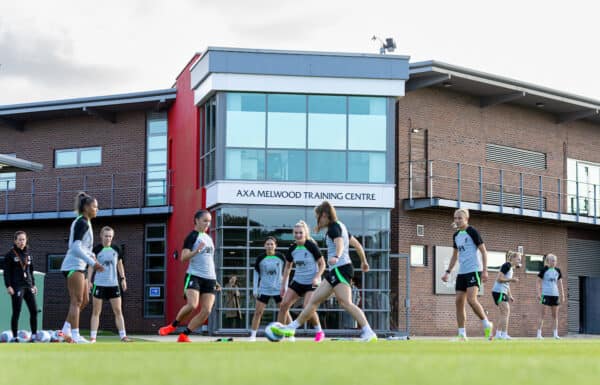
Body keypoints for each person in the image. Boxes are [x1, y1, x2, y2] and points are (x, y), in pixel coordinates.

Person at [271, 201, 377, 342]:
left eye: (318, 216)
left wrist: (336, 256)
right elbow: (357, 245)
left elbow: (339, 242)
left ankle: (368, 332)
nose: (317, 219)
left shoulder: (334, 228)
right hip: (337, 271)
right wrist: (363, 261)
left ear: (325, 215)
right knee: (313, 301)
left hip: (340, 269)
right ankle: (291, 327)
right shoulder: (341, 226)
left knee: (346, 303)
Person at [158, 210, 221, 342]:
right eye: (205, 220)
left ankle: (184, 335)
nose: (207, 224)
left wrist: (215, 280)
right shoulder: (192, 237)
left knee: (206, 311)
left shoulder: (209, 238)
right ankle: (173, 326)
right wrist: (196, 251)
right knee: (192, 305)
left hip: (210, 278)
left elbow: (209, 260)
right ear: (197, 221)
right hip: (194, 275)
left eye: (209, 221)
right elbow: (183, 257)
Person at [441, 208, 493, 340]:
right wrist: (448, 272)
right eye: (455, 218)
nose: (457, 220)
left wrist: (485, 270)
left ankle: (486, 324)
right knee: (458, 301)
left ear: (466, 219)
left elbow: (484, 252)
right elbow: (454, 256)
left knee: (471, 299)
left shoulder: (472, 231)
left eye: (460, 218)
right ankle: (462, 334)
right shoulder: (456, 235)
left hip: (474, 269)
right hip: (462, 272)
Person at [60, 192, 104, 343]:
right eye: (95, 206)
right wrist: (93, 263)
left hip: (80, 265)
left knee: (84, 300)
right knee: (76, 301)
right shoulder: (82, 222)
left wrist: (91, 254)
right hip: (73, 266)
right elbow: (74, 247)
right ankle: (76, 335)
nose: (97, 209)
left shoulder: (86, 222)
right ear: (86, 207)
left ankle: (64, 331)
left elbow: (81, 247)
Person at [277, 221, 326, 342]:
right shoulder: (292, 248)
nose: (298, 235)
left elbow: (322, 264)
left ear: (305, 233)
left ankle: (319, 331)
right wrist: (283, 286)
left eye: (300, 233)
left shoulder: (311, 245)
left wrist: (317, 277)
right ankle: (279, 334)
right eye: (296, 233)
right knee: (283, 305)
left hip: (311, 282)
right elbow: (287, 268)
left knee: (307, 307)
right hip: (298, 281)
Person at [88, 226, 131, 343]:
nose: (108, 238)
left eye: (110, 236)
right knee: (96, 311)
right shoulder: (96, 249)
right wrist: (88, 281)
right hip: (99, 284)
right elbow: (91, 266)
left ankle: (123, 336)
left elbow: (120, 264)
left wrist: (123, 279)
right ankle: (93, 338)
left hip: (113, 284)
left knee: (118, 311)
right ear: (101, 236)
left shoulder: (116, 249)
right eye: (106, 236)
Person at [249, 236, 289, 341]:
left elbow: (286, 272)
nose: (270, 246)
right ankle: (253, 336)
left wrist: (285, 287)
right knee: (258, 312)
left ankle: (290, 334)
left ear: (275, 246)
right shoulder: (260, 258)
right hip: (264, 289)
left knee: (284, 311)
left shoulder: (281, 257)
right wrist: (255, 288)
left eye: (272, 244)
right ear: (264, 246)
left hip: (278, 289)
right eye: (267, 244)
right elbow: (256, 273)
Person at [4, 231, 38, 342]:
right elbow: (7, 272)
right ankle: (15, 336)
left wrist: (33, 284)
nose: (21, 242)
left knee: (34, 310)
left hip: (28, 286)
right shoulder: (10, 254)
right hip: (17, 287)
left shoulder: (28, 254)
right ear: (15, 241)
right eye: (19, 239)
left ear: (26, 240)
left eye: (23, 239)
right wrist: (8, 286)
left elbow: (31, 271)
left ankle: (33, 335)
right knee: (16, 311)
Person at [491, 250, 521, 340]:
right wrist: (511, 280)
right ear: (513, 258)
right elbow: (499, 279)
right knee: (506, 311)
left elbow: (506, 284)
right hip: (498, 291)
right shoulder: (506, 265)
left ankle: (498, 334)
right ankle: (504, 334)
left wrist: (510, 295)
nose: (519, 261)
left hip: (502, 291)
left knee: (503, 313)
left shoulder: (511, 268)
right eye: (518, 259)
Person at [536, 253, 564, 339]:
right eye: (552, 260)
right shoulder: (544, 270)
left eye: (555, 261)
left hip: (555, 295)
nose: (554, 262)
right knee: (542, 314)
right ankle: (539, 334)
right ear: (548, 261)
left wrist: (562, 294)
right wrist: (538, 293)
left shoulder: (558, 271)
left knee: (555, 315)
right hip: (545, 295)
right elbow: (537, 282)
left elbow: (560, 283)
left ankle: (555, 334)